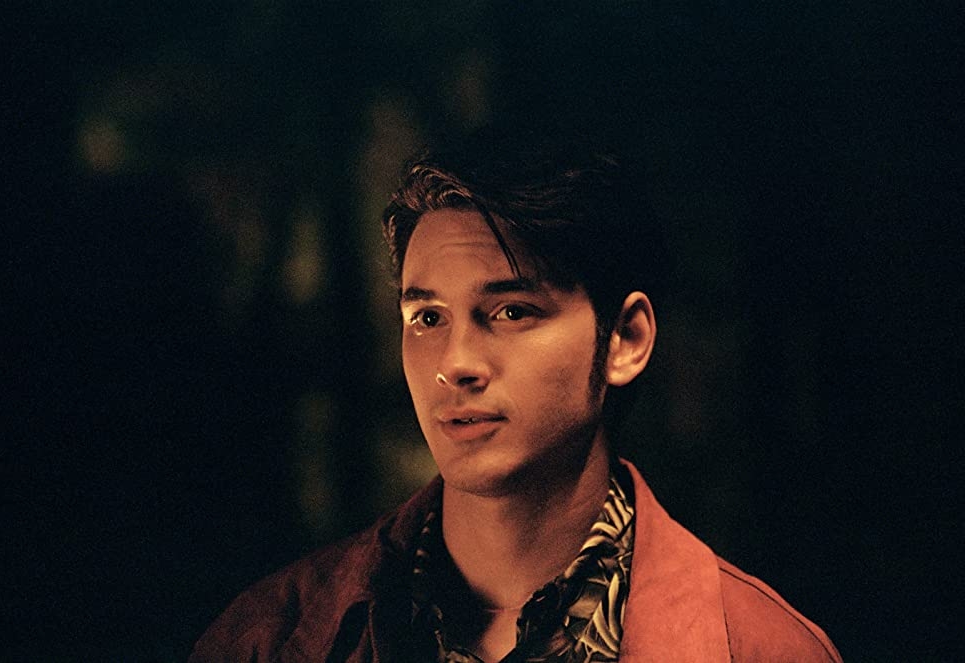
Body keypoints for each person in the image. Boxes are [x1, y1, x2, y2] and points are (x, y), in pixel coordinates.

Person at [190, 127, 843, 662]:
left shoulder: (763, 649)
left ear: (626, 338)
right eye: (427, 317)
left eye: (510, 312)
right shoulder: (269, 638)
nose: (456, 364)